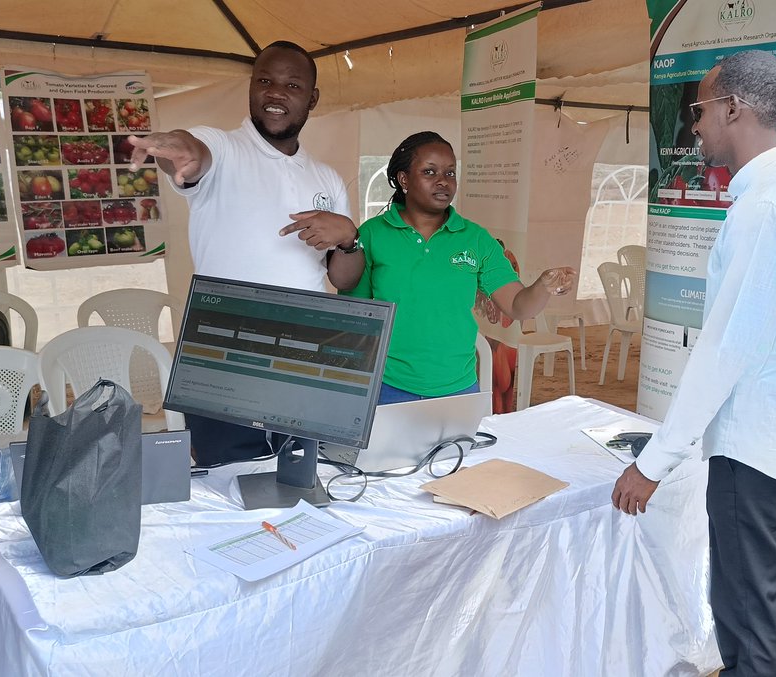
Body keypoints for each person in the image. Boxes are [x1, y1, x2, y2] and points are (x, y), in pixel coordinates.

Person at [611, 50, 776, 676]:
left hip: (753, 447)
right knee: (763, 613)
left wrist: (654, 461)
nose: (695, 127)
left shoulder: (765, 210)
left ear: (733, 108)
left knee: (749, 628)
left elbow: (725, 350)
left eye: (701, 111)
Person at [129, 40, 365, 465]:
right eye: (265, 81)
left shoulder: (326, 178)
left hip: (303, 356)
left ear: (311, 98)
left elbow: (343, 279)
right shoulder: (222, 147)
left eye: (292, 85)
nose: (276, 93)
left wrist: (349, 237)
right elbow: (193, 151)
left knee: (298, 479)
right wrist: (179, 150)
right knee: (226, 483)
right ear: (251, 88)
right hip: (223, 355)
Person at [345, 131, 576, 404]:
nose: (443, 181)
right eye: (430, 172)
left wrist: (542, 287)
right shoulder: (373, 234)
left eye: (451, 173)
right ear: (404, 179)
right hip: (387, 386)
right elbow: (353, 312)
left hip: (458, 388)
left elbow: (516, 305)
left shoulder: (475, 239)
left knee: (459, 449)